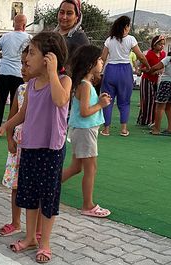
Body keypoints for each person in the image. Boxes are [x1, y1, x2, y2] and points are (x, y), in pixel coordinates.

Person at [0, 32, 72, 263]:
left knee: (47, 197)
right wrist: (5, 125)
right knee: (29, 195)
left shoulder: (64, 81)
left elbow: (60, 100)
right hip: (29, 146)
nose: (27, 58)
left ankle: (44, 243)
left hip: (51, 149)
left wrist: (52, 72)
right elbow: (23, 113)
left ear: (49, 58)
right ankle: (29, 237)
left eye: (32, 52)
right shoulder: (30, 84)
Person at [62, 45, 112, 219]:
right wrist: (101, 104)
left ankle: (47, 186)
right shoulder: (84, 85)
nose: (102, 62)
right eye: (99, 60)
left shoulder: (86, 84)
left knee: (76, 167)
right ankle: (88, 205)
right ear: (90, 64)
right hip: (84, 131)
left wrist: (98, 101)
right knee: (91, 168)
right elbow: (84, 112)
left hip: (83, 130)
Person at [100, 16, 150, 137]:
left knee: (107, 100)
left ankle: (106, 129)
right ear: (126, 27)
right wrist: (147, 67)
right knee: (124, 102)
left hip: (110, 70)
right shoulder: (131, 39)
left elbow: (103, 58)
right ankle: (123, 129)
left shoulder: (109, 40)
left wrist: (99, 72)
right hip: (125, 72)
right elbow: (141, 56)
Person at [0, 46, 29, 237]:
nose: (23, 68)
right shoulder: (21, 89)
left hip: (35, 145)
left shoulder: (47, 89)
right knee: (16, 186)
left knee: (35, 188)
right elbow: (12, 116)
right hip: (18, 144)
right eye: (22, 64)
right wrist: (9, 138)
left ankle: (38, 229)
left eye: (27, 64)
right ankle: (16, 222)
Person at [0, 14, 31, 133]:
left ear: (14, 23)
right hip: (19, 74)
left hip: (4, 73)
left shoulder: (5, 37)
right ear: (24, 25)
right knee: (17, 103)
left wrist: (4, 56)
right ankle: (13, 129)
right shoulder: (29, 38)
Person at [137, 35, 166, 127]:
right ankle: (145, 120)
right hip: (147, 80)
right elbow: (142, 68)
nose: (162, 46)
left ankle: (153, 120)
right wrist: (150, 70)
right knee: (148, 100)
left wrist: (158, 71)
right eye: (160, 44)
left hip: (158, 80)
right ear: (154, 45)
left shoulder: (163, 54)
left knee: (156, 100)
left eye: (163, 44)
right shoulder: (149, 54)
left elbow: (163, 66)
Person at [54, 0, 89, 71]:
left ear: (77, 17)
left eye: (69, 13)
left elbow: (83, 68)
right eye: (61, 12)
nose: (64, 17)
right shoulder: (51, 35)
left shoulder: (80, 39)